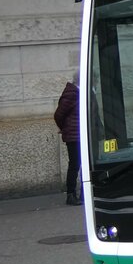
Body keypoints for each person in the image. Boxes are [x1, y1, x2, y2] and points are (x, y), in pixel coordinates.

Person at [53, 77, 80, 205]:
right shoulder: (72, 94)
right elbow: (58, 114)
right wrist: (65, 128)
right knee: (74, 164)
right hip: (74, 135)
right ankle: (70, 194)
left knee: (79, 164)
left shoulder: (78, 92)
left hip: (79, 134)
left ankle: (79, 194)